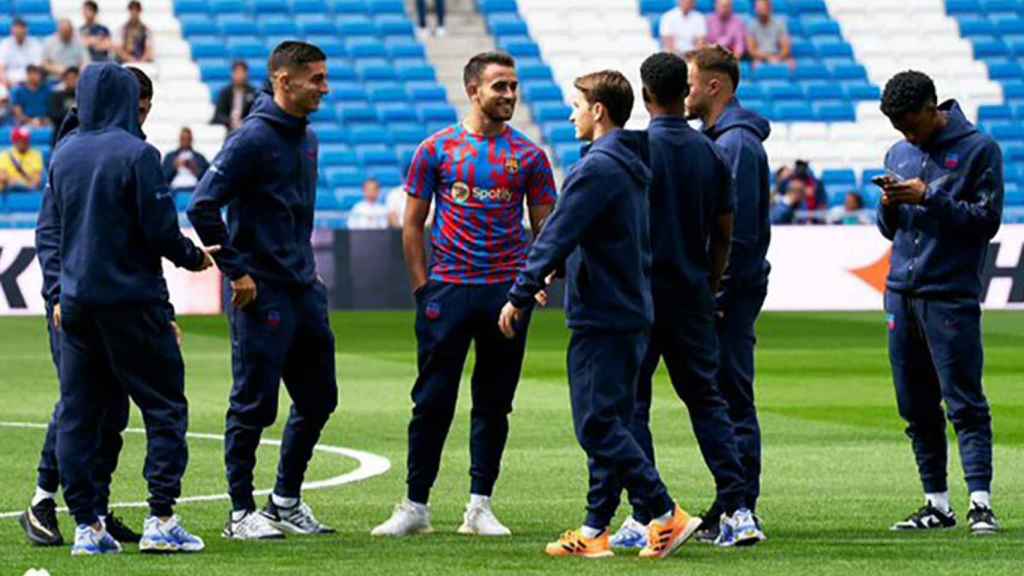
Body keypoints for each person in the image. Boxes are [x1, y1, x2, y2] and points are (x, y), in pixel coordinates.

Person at [498, 70, 700, 560]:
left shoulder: (597, 168)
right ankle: (594, 530)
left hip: (604, 315)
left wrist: (522, 291)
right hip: (629, 308)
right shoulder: (630, 164)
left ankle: (664, 512)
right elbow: (610, 240)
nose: (571, 114)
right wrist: (561, 272)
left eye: (576, 105)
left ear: (598, 111)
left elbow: (557, 232)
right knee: (614, 421)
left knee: (595, 424)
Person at [370, 51, 556, 538]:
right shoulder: (436, 150)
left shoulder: (530, 156)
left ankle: (480, 506)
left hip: (506, 294)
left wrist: (536, 281)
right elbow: (413, 225)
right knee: (431, 401)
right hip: (448, 290)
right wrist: (421, 286)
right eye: (500, 87)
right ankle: (415, 505)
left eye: (514, 86)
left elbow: (547, 228)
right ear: (473, 90)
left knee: (494, 403)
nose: (510, 95)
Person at [44, 62, 213, 556]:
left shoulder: (63, 155)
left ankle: (87, 527)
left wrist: (57, 293)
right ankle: (161, 519)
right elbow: (159, 233)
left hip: (75, 306)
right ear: (124, 99)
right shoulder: (139, 154)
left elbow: (55, 230)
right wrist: (195, 257)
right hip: (131, 304)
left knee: (79, 414)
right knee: (163, 407)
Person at [606, 52, 762, 552]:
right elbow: (724, 230)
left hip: (641, 298)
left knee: (633, 404)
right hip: (693, 295)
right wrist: (710, 281)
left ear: (646, 95)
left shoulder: (631, 150)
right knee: (707, 402)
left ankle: (649, 513)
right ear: (681, 92)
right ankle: (738, 510)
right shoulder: (711, 152)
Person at [188, 41, 338, 541]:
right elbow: (202, 205)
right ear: (283, 81)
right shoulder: (251, 139)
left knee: (319, 399)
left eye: (324, 77)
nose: (324, 87)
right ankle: (239, 513)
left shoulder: (308, 138)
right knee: (254, 403)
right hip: (263, 292)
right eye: (315, 78)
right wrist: (236, 270)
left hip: (303, 287)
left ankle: (285, 501)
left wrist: (307, 271)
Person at [20, 66, 160, 549]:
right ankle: (41, 501)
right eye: (136, 106)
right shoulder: (73, 152)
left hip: (111, 298)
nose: (140, 115)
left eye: (146, 108)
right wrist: (58, 293)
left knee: (113, 405)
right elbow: (49, 232)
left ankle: (95, 511)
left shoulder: (124, 150)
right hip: (74, 299)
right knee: (79, 401)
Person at [877, 70, 1003, 535]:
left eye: (911, 125)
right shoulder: (899, 152)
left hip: (950, 293)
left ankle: (981, 503)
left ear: (934, 108)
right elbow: (890, 230)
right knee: (915, 406)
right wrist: (891, 203)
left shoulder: (979, 149)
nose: (907, 135)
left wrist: (929, 196)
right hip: (901, 291)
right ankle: (937, 503)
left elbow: (986, 222)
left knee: (964, 401)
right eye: (899, 128)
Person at [685, 45, 772, 538]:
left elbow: (735, 233)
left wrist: (715, 293)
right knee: (720, 394)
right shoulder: (722, 139)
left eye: (692, 83)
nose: (687, 92)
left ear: (715, 86)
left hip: (728, 291)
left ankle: (742, 504)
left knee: (732, 394)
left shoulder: (735, 146)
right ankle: (730, 499)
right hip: (725, 287)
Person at [212, 60, 257, 134]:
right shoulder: (225, 92)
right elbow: (218, 114)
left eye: (242, 72)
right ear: (232, 74)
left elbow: (256, 113)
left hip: (246, 128)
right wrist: (231, 122)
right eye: (237, 72)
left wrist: (244, 123)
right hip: (228, 127)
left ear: (246, 74)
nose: (239, 75)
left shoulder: (253, 92)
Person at [747, 0, 793, 68]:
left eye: (762, 8)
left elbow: (786, 48)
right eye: (758, 8)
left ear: (769, 8)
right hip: (760, 57)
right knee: (756, 66)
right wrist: (767, 58)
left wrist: (777, 58)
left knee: (791, 64)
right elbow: (751, 50)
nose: (760, 11)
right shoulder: (751, 25)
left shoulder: (780, 23)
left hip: (778, 55)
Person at [0, 19, 43, 87]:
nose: (19, 31)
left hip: (30, 80)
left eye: (22, 28)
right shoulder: (5, 44)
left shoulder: (35, 43)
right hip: (9, 80)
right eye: (17, 28)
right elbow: (1, 67)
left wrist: (31, 82)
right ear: (12, 30)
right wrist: (5, 82)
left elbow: (37, 66)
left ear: (26, 30)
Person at [0, 126, 43, 191]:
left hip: (28, 191)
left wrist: (19, 183)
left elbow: (37, 180)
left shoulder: (36, 155)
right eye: (21, 140)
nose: (25, 143)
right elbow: (3, 177)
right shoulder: (4, 155)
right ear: (15, 141)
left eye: (26, 140)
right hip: (8, 191)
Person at [48, 66, 79, 141]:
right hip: (61, 134)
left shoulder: (83, 96)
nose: (72, 81)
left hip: (78, 135)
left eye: (74, 78)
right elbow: (54, 115)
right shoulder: (56, 95)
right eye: (69, 78)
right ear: (64, 79)